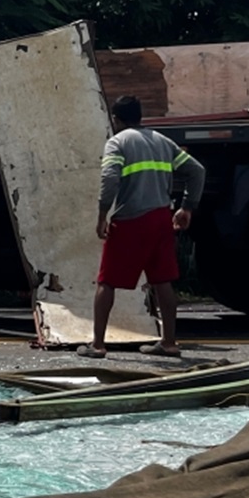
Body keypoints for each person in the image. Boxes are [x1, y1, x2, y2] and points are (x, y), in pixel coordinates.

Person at [77, 95, 205, 359]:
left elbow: (110, 179)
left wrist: (102, 215)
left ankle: (97, 345)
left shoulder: (117, 142)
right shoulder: (162, 141)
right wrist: (187, 207)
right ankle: (169, 343)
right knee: (162, 280)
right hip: (161, 218)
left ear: (116, 119)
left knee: (106, 281)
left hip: (131, 220)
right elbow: (197, 171)